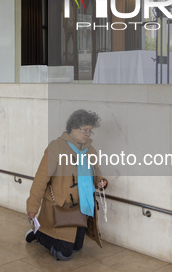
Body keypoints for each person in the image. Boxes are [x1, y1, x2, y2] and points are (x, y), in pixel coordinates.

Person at [26, 109, 108, 261]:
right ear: (73, 128)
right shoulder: (56, 147)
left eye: (90, 131)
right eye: (85, 130)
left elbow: (96, 172)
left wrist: (100, 181)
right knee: (64, 255)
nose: (88, 134)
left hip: (82, 207)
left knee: (77, 248)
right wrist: (32, 207)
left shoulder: (90, 150)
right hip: (61, 208)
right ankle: (38, 234)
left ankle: (45, 234)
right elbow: (41, 179)